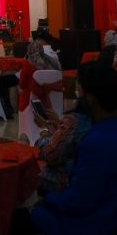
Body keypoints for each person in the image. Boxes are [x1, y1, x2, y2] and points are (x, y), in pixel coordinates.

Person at [19, 63, 117, 235]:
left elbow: (77, 201)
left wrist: (44, 202)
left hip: (87, 231)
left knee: (9, 221)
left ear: (91, 99)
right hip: (110, 221)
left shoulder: (98, 143)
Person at [32, 63, 95, 196]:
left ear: (82, 87)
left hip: (65, 183)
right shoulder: (102, 118)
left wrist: (43, 130)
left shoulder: (76, 121)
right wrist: (59, 124)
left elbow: (49, 155)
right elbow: (70, 140)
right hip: (90, 182)